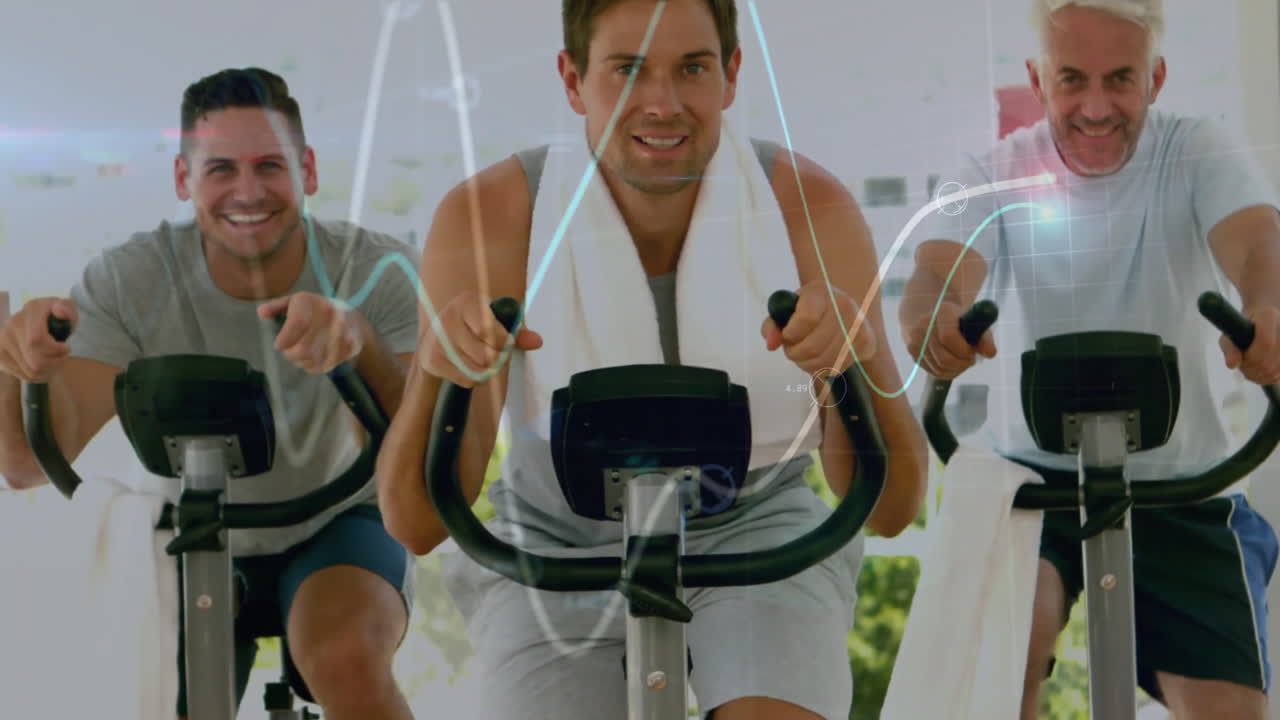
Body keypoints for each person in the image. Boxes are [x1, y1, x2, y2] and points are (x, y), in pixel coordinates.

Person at [375, 0, 929, 718]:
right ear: (573, 80)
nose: (663, 104)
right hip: (557, 539)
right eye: (628, 69)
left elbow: (891, 509)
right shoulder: (489, 217)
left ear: (731, 74)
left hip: (756, 524)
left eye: (691, 68)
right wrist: (437, 372)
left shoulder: (810, 207)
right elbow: (417, 524)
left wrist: (852, 364)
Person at [0, 68, 421, 720]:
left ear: (308, 170)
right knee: (172, 698)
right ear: (183, 179)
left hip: (339, 519)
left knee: (344, 658)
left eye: (270, 166)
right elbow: (27, 464)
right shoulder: (133, 278)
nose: (247, 191)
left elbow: (418, 456)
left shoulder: (375, 271)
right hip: (194, 527)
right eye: (221, 168)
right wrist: (14, 365)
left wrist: (359, 343)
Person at [898, 1, 1280, 717]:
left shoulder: (1197, 150)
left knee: (1231, 711)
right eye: (1073, 78)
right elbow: (938, 272)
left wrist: (1267, 309)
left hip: (1181, 484)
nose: (1096, 107)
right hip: (1033, 481)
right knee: (1009, 654)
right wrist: (936, 321)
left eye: (1120, 79)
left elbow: (1260, 244)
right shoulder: (993, 171)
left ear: (1155, 78)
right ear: (1039, 80)